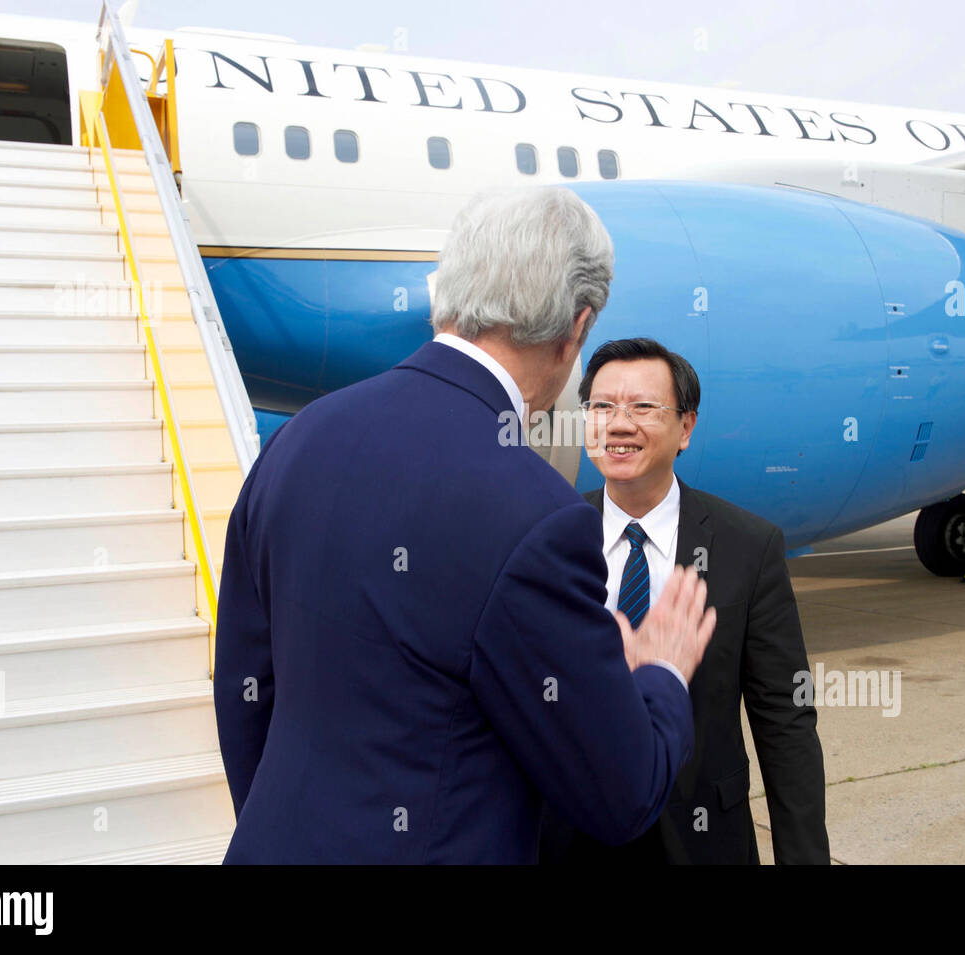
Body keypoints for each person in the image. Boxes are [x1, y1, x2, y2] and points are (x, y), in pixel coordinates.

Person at [212, 188, 716, 864]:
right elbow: (620, 792)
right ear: (578, 325)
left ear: (446, 296)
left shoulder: (299, 439)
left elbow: (245, 692)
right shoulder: (539, 515)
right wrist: (660, 670)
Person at [541, 338, 829, 864]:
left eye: (643, 408)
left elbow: (785, 722)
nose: (619, 424)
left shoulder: (748, 546)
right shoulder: (547, 540)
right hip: (567, 836)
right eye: (602, 407)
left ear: (686, 428)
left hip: (701, 840)